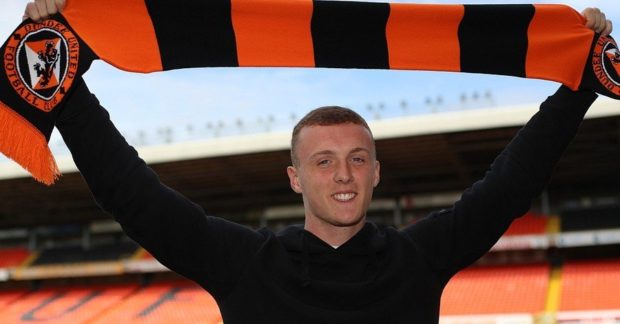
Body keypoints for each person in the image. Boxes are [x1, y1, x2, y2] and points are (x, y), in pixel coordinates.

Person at [23, 1, 613, 323]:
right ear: (295, 177)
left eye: (358, 158)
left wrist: (576, 83)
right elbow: (134, 196)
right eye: (324, 161)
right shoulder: (245, 263)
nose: (343, 174)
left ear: (377, 171)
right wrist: (64, 85)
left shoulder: (419, 257)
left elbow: (511, 184)